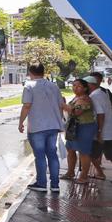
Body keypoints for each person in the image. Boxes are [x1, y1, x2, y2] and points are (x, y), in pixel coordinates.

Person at [17, 63, 65, 192]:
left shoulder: (29, 86)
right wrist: (60, 121)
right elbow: (61, 105)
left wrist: (21, 122)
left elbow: (27, 105)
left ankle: (41, 184)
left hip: (37, 126)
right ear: (43, 72)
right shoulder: (54, 86)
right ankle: (55, 185)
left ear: (30, 72)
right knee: (52, 155)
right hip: (53, 126)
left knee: (40, 156)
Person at [62, 78, 97, 183]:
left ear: (85, 88)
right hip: (74, 127)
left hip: (84, 127)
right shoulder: (77, 97)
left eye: (78, 86)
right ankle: (70, 172)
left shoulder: (85, 99)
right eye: (74, 85)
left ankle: (84, 176)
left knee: (83, 152)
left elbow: (75, 112)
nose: (75, 88)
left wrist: (63, 105)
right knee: (70, 150)